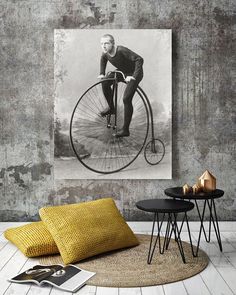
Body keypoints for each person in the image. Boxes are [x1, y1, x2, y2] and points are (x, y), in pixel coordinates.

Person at [98, 34, 144, 138]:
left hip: (134, 73)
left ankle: (125, 130)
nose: (103, 46)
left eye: (106, 43)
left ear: (113, 44)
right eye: (101, 44)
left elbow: (139, 59)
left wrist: (133, 76)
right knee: (105, 82)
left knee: (126, 99)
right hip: (123, 72)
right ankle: (111, 108)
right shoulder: (106, 53)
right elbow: (103, 59)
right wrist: (102, 73)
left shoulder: (121, 50)